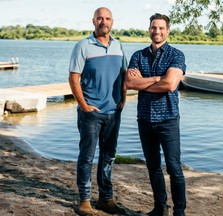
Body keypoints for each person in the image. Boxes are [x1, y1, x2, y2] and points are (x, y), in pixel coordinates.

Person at [125, 13, 186, 216]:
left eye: (161, 28)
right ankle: (160, 208)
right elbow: (130, 83)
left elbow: (170, 85)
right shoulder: (138, 56)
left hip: (168, 119)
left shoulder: (176, 55)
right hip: (144, 119)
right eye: (153, 27)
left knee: (174, 167)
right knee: (153, 167)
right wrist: (158, 77)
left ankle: (179, 211)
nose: (157, 31)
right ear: (149, 30)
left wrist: (146, 82)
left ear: (167, 31)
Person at [68, 7, 127, 216]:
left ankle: (105, 199)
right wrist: (84, 106)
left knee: (108, 157)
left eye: (108, 18)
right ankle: (84, 201)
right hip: (91, 113)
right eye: (100, 18)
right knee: (87, 157)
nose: (104, 21)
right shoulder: (83, 46)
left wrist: (123, 98)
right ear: (93, 21)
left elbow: (124, 75)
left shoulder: (119, 46)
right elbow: (74, 78)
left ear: (113, 22)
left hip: (113, 113)